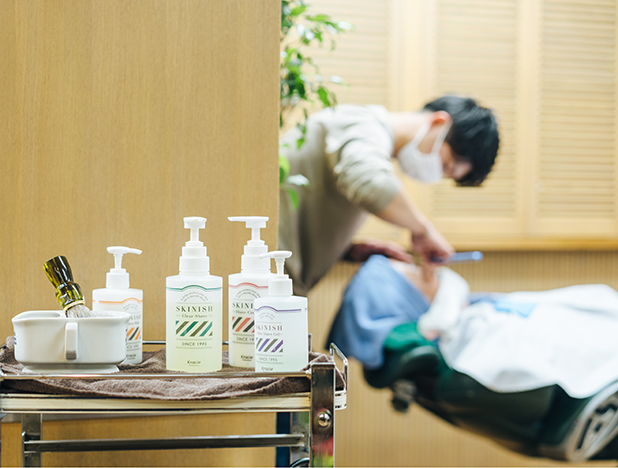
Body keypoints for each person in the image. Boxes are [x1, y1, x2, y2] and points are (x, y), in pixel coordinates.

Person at [279, 95, 500, 296]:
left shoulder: (370, 143)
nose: (437, 175)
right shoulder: (363, 124)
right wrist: (424, 230)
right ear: (439, 122)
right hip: (270, 280)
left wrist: (348, 250)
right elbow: (369, 183)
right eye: (445, 165)